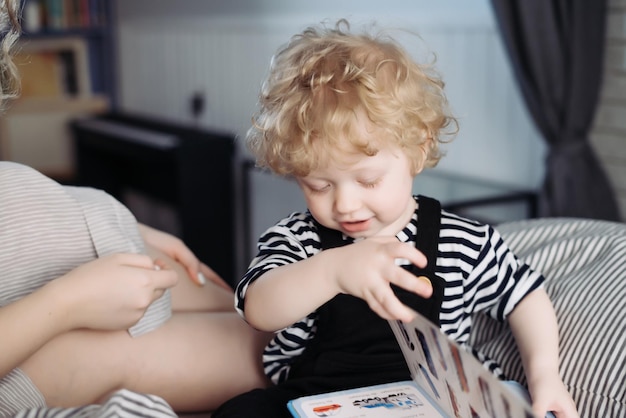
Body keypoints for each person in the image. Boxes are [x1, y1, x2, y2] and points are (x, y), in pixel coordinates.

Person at [212, 19, 579, 418]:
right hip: (320, 399)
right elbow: (257, 308)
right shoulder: (299, 239)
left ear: (417, 152)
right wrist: (333, 270)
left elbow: (524, 296)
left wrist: (545, 376)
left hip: (437, 400)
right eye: (319, 186)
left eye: (368, 180)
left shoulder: (462, 241)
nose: (346, 205)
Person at [0, 1, 271, 416]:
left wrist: (114, 220)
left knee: (270, 317)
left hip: (102, 247)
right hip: (50, 328)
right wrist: (69, 301)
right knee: (293, 353)